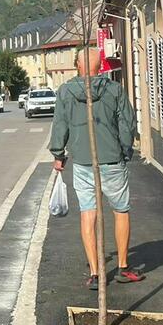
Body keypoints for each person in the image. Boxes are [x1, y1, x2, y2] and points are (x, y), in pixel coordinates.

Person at [49, 47, 144, 290]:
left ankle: (95, 272)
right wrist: (124, 150)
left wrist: (59, 154)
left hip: (83, 162)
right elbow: (127, 122)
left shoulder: (65, 92)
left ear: (77, 66)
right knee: (120, 210)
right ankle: (123, 266)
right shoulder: (114, 89)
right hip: (112, 160)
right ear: (100, 66)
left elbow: (60, 124)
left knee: (88, 213)